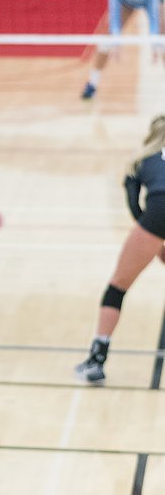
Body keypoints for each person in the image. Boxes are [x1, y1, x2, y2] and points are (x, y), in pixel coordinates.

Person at [76, 115, 165, 384]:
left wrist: (154, 238)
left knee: (118, 286)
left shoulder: (139, 159)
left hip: (157, 213)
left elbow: (134, 206)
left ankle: (96, 360)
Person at [81, 0, 165, 100]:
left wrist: (155, 46)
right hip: (127, 3)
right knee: (106, 40)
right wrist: (116, 43)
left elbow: (153, 19)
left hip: (155, 2)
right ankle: (92, 84)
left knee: (162, 40)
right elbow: (114, 15)